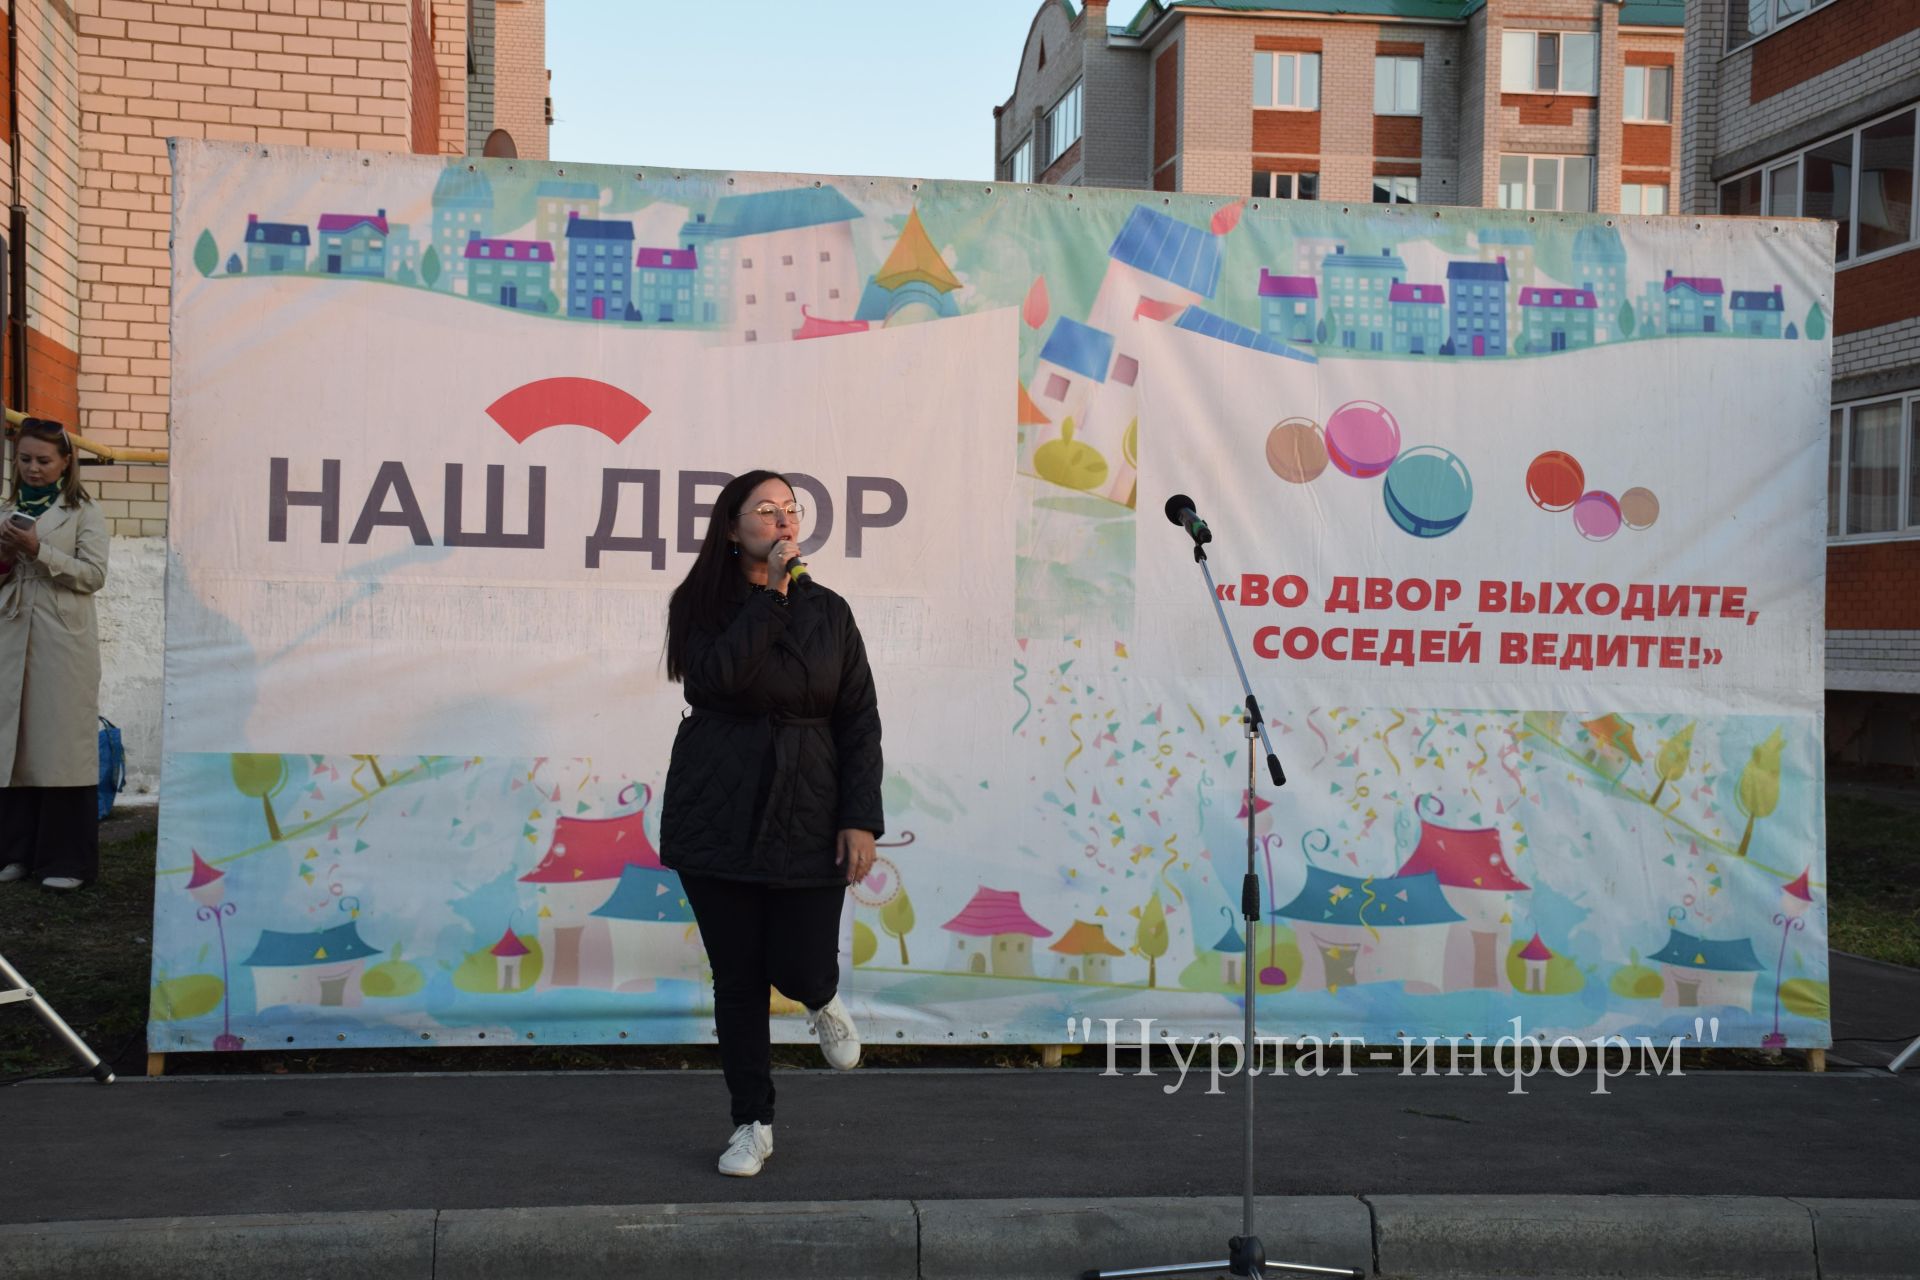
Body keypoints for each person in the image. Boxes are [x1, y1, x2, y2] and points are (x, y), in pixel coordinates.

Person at [661, 469, 883, 1178]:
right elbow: (719, 678)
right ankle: (751, 1123)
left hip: (810, 806)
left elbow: (859, 721)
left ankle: (820, 996)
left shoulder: (833, 612)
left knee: (798, 960)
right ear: (732, 528)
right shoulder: (700, 605)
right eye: (767, 510)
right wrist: (774, 594)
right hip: (718, 807)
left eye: (792, 510)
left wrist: (859, 817)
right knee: (740, 976)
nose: (784, 521)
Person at [0, 418, 110, 891]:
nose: (33, 469)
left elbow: (93, 575)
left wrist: (39, 550)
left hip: (62, 638)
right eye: (25, 459)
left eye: (44, 460)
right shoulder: (5, 509)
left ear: (66, 462)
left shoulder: (84, 512)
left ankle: (65, 860)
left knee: (61, 745)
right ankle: (15, 853)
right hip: (11, 631)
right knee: (14, 743)